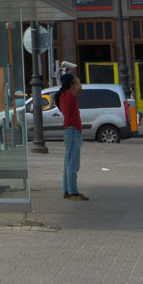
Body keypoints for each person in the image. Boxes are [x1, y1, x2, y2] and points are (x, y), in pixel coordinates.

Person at [55, 71, 88, 199]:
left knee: (67, 162)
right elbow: (79, 88)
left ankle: (67, 190)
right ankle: (73, 191)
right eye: (73, 83)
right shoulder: (69, 96)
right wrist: (76, 78)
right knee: (73, 163)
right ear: (71, 84)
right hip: (73, 132)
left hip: (68, 131)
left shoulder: (61, 96)